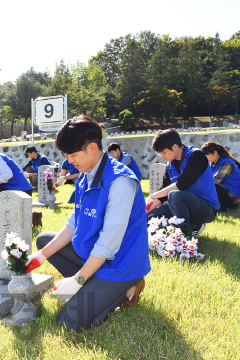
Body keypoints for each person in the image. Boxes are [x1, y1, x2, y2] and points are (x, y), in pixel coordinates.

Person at [26, 115, 150, 332]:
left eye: (73, 155)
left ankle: (128, 286)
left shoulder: (120, 181)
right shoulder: (85, 176)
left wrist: (78, 279)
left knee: (68, 323)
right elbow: (73, 223)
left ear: (92, 148)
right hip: (95, 255)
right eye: (66, 156)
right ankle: (97, 288)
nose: (69, 161)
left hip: (118, 264)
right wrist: (40, 257)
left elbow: (109, 243)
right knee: (45, 241)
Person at [146, 129, 219, 236]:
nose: (162, 156)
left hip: (206, 208)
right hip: (181, 205)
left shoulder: (196, 155)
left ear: (175, 146)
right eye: (160, 153)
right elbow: (162, 196)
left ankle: (184, 235)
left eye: (164, 152)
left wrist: (154, 195)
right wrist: (144, 211)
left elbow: (182, 184)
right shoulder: (169, 166)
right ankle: (193, 225)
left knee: (174, 194)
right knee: (150, 218)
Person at [201, 141, 240, 212]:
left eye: (207, 155)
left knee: (212, 185)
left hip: (235, 195)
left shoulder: (226, 163)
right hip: (229, 192)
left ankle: (222, 209)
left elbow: (215, 180)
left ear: (215, 152)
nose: (205, 157)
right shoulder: (213, 163)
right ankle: (229, 206)